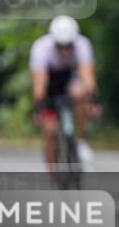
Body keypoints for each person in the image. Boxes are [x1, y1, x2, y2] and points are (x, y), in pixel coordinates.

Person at [30, 15, 101, 174]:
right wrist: (38, 110)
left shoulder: (82, 45)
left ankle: (82, 140)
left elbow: (88, 78)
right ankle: (52, 173)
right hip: (50, 83)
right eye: (60, 46)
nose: (64, 50)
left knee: (80, 92)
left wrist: (92, 103)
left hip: (70, 79)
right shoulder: (41, 48)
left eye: (68, 46)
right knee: (49, 131)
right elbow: (39, 86)